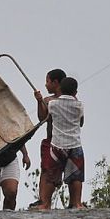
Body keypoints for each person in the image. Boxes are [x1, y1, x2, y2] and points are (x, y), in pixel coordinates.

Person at [35, 77, 85, 209]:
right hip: (75, 144)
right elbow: (81, 122)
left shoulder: (53, 104)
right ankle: (77, 203)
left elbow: (44, 117)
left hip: (57, 145)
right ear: (75, 92)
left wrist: (40, 101)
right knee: (76, 176)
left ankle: (45, 204)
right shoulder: (79, 105)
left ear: (60, 89)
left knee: (51, 175)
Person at [31, 68, 66, 209]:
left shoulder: (70, 100)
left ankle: (74, 202)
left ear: (55, 82)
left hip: (66, 142)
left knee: (67, 173)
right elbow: (42, 118)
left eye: (47, 81)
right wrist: (39, 102)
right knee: (46, 171)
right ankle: (43, 201)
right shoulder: (47, 100)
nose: (45, 85)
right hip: (51, 140)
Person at [0, 145, 31, 210]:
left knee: (11, 193)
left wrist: (25, 154)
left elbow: (18, 137)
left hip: (9, 160)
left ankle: (8, 218)